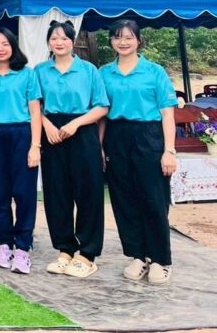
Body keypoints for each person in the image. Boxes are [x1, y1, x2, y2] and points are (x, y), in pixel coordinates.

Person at [99, 19, 178, 284]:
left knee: (153, 199)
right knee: (124, 199)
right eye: (117, 37)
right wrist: (100, 147)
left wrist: (169, 150)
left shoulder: (154, 71)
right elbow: (102, 114)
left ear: (138, 40)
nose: (123, 42)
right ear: (111, 41)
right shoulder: (104, 73)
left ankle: (160, 259)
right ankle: (138, 255)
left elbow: (167, 114)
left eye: (128, 37)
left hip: (148, 136)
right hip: (116, 137)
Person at [34, 19, 110, 279]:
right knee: (57, 193)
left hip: (82, 130)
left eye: (64, 38)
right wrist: (46, 125)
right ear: (48, 42)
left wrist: (76, 124)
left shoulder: (88, 70)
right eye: (54, 38)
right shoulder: (40, 71)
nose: (59, 42)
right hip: (52, 134)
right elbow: (33, 105)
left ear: (73, 41)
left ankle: (87, 254)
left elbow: (102, 106)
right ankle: (65, 249)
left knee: (88, 192)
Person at [0, 28, 42, 274]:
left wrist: (35, 146)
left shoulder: (27, 74)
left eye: (5, 43)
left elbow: (35, 111)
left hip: (22, 134)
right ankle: (4, 244)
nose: (0, 48)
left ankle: (23, 248)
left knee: (24, 194)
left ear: (13, 46)